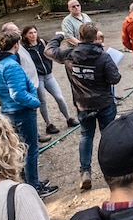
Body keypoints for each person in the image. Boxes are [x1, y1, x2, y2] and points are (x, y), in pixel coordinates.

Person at [46, 23, 121, 191]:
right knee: (107, 136)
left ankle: (85, 172)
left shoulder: (69, 54)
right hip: (104, 103)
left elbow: (48, 51)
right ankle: (111, 172)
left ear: (79, 38)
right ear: (96, 38)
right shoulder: (103, 56)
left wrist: (59, 36)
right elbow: (115, 78)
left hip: (83, 104)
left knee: (86, 136)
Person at [0, 31, 56, 197]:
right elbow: (17, 93)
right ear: (16, 45)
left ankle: (29, 181)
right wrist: (35, 102)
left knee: (20, 149)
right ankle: (34, 187)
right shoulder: (11, 66)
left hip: (8, 111)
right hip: (21, 112)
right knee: (31, 149)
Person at [21, 25, 76, 135]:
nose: (33, 35)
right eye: (30, 33)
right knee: (43, 101)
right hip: (38, 77)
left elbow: (52, 51)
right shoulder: (24, 49)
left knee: (59, 97)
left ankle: (69, 118)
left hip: (49, 75)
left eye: (34, 32)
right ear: (25, 35)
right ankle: (48, 124)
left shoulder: (43, 43)